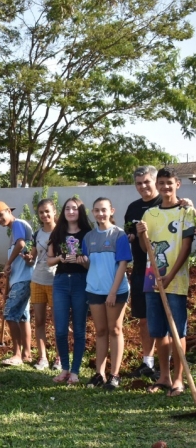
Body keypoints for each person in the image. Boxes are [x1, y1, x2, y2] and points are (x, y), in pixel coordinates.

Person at [124, 165, 193, 379]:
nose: (164, 187)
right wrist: (139, 235)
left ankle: (178, 378)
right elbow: (143, 246)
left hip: (175, 277)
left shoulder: (184, 209)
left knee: (176, 329)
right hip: (149, 275)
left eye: (168, 183)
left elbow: (186, 246)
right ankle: (160, 373)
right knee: (154, 327)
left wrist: (171, 275)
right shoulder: (145, 212)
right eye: (161, 183)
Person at [80, 198, 132, 390]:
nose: (100, 214)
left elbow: (123, 265)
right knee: (100, 331)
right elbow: (88, 264)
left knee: (115, 330)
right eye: (97, 211)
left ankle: (115, 375)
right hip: (94, 290)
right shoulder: (88, 237)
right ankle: (99, 373)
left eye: (104, 210)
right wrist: (82, 261)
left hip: (115, 292)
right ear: (92, 213)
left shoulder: (119, 235)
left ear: (111, 211)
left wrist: (112, 292)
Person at [47, 197, 92, 385]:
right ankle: (64, 367)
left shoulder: (89, 234)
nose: (71, 211)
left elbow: (92, 263)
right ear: (63, 211)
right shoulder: (57, 233)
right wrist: (60, 258)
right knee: (60, 329)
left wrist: (83, 261)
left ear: (80, 211)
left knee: (79, 330)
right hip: (61, 282)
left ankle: (75, 371)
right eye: (67, 208)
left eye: (75, 208)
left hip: (81, 282)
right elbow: (49, 260)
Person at [0, 201, 33, 365]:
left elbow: (21, 244)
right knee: (22, 317)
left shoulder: (17, 224)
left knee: (9, 313)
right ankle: (27, 354)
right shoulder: (14, 230)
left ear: (9, 211)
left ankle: (17, 355)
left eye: (1, 215)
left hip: (24, 278)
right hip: (20, 278)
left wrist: (8, 263)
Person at [28, 199, 61, 371]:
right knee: (39, 321)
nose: (44, 215)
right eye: (41, 212)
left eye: (47, 211)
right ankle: (42, 358)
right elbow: (33, 255)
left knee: (58, 323)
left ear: (54, 212)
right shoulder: (37, 234)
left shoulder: (61, 232)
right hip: (37, 281)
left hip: (56, 283)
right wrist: (28, 257)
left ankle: (59, 358)